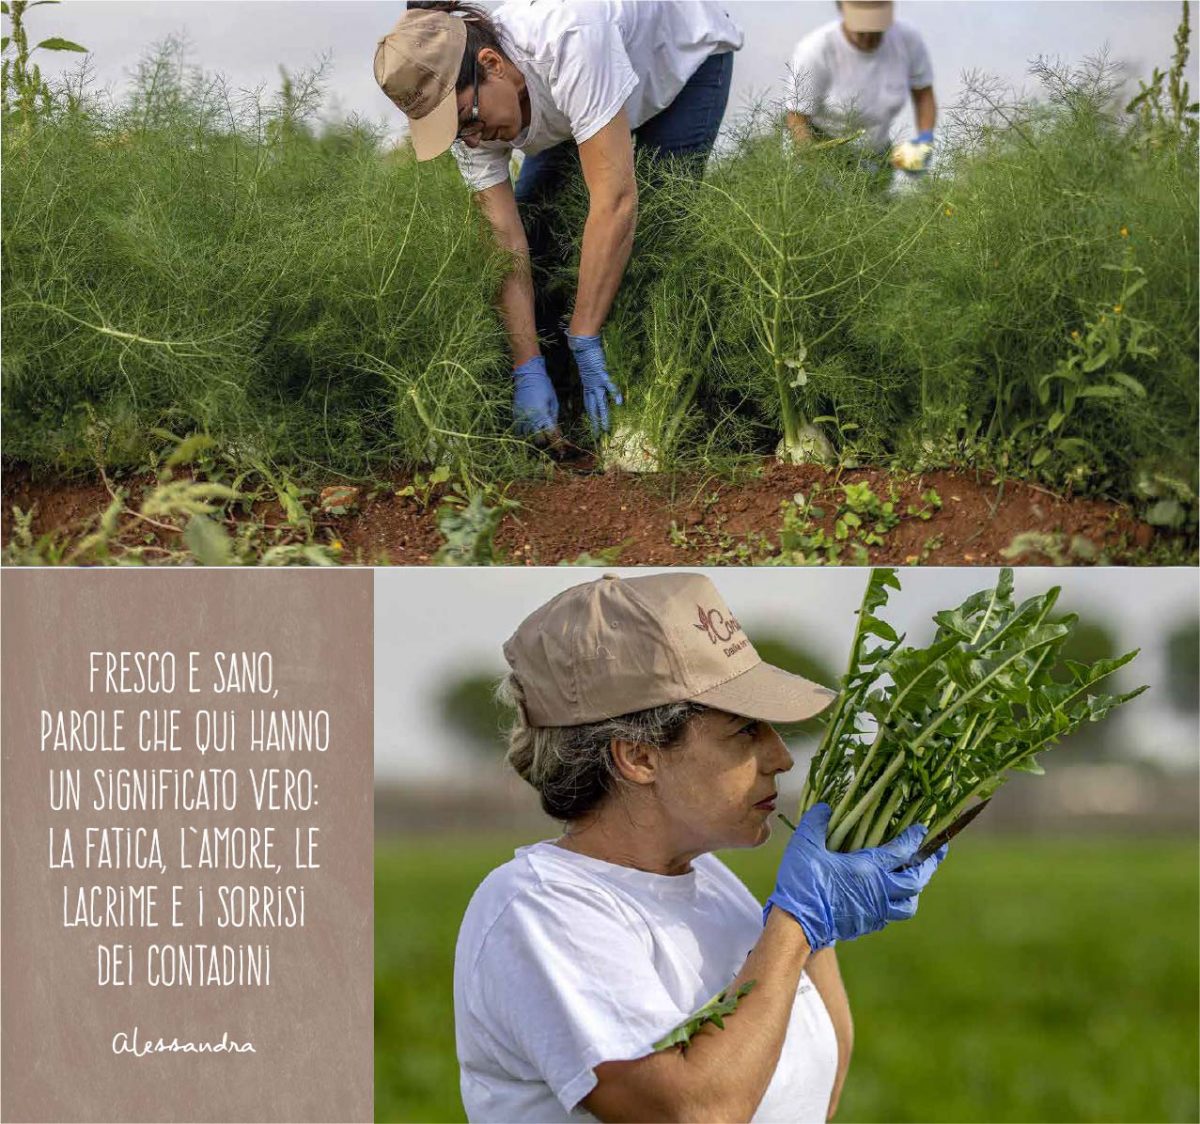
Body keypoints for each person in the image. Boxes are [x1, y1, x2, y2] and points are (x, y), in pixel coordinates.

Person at [453, 571, 948, 1122]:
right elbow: (694, 1112)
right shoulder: (539, 908)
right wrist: (796, 923)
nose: (782, 757)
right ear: (637, 757)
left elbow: (813, 1095)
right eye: (745, 730)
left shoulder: (707, 880)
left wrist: (825, 910)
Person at [374, 1, 743, 445]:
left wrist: (583, 334)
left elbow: (615, 202)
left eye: (467, 122)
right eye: (454, 134)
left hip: (680, 59)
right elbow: (504, 243)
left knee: (655, 233)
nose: (470, 140)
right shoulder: (469, 115)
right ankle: (561, 404)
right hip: (570, 93)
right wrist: (525, 363)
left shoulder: (569, 39)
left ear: (491, 64)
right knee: (538, 227)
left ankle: (661, 401)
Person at [787, 1, 937, 177]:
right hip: (824, 151)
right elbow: (797, 119)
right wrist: (813, 170)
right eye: (861, 30)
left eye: (876, 31)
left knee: (876, 200)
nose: (868, 37)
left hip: (877, 156)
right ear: (841, 10)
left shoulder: (908, 39)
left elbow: (924, 95)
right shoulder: (815, 50)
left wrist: (925, 139)